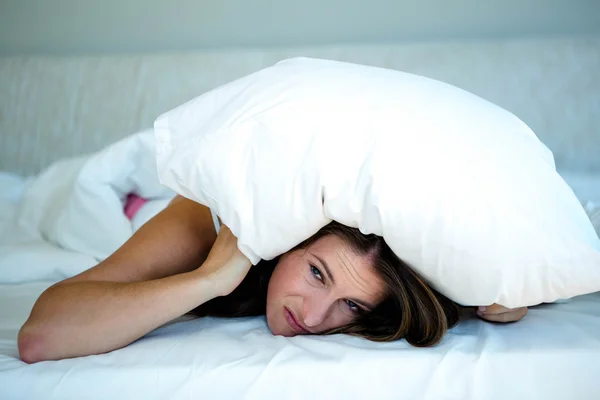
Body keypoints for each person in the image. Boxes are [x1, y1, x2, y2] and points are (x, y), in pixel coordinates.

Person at [17, 195, 527, 364]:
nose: (310, 317)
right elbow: (42, 336)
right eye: (315, 272)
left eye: (352, 307)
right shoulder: (204, 219)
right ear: (287, 237)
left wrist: (499, 298)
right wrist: (210, 279)